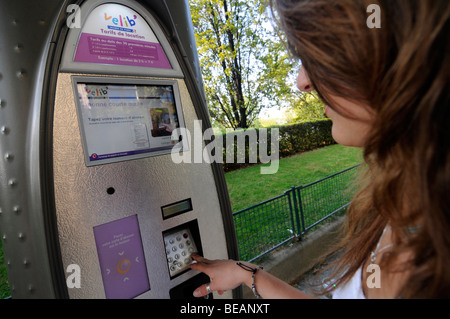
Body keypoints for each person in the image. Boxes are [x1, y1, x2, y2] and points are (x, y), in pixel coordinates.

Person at [191, 0, 450, 299]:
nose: (303, 81)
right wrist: (247, 274)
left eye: (320, 58)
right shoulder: (405, 197)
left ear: (401, 59)